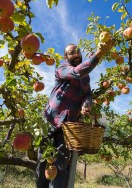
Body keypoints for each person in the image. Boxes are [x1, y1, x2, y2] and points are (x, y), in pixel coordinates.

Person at [36, 40, 114, 188]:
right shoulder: (62, 68)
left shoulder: (86, 78)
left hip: (70, 126)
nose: (76, 54)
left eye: (78, 51)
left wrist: (87, 102)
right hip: (51, 121)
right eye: (72, 52)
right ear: (66, 57)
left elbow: (88, 94)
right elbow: (77, 72)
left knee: (61, 166)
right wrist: (99, 53)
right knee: (43, 162)